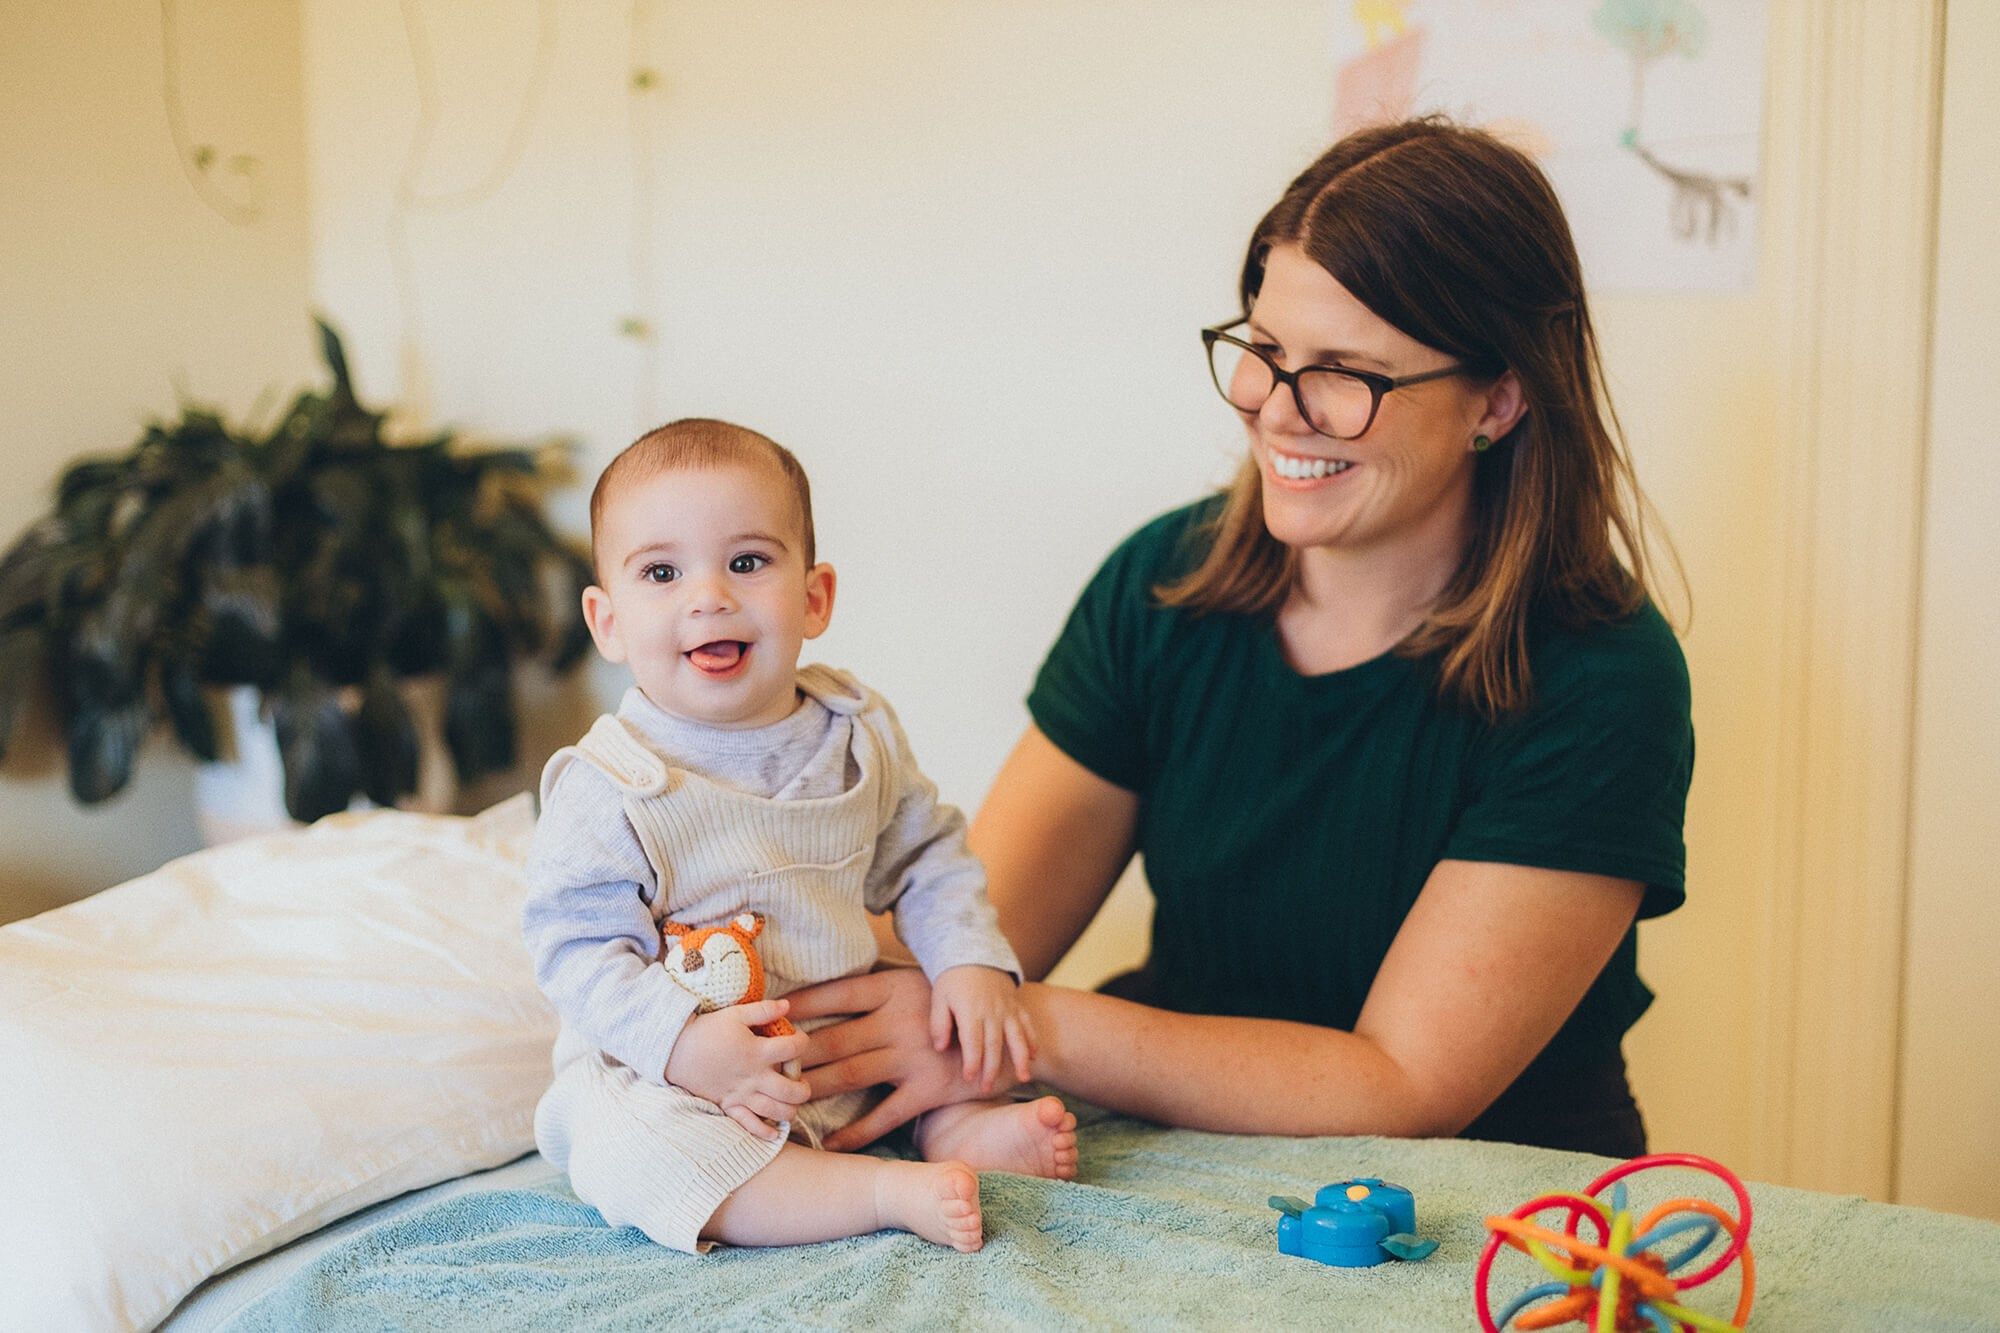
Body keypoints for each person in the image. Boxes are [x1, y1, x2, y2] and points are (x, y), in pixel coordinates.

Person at [791, 116, 1694, 1161]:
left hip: (1488, 1198)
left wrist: (1024, 1022)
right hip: (1178, 1146)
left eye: (1345, 373)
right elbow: (972, 939)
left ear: (1494, 399)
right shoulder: (1160, 588)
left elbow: (1403, 1083)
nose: (1277, 412)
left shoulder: (1600, 677)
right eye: (1264, 352)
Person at [522, 418, 1078, 1256]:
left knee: (952, 1030)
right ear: (606, 621)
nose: (708, 596)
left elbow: (926, 855)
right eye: (662, 572)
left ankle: (955, 1130)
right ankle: (884, 1190)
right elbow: (575, 952)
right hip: (686, 1078)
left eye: (747, 562)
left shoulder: (856, 734)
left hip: (839, 1051)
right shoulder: (612, 783)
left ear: (814, 596)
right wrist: (681, 1045)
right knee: (630, 1147)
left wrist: (969, 959)